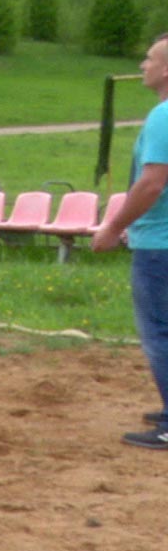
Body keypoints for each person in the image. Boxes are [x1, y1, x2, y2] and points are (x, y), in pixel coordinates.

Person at [94, 32, 168, 449]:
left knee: (159, 333)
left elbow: (152, 184)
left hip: (160, 244)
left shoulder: (163, 116)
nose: (143, 65)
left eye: (148, 58)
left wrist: (113, 227)